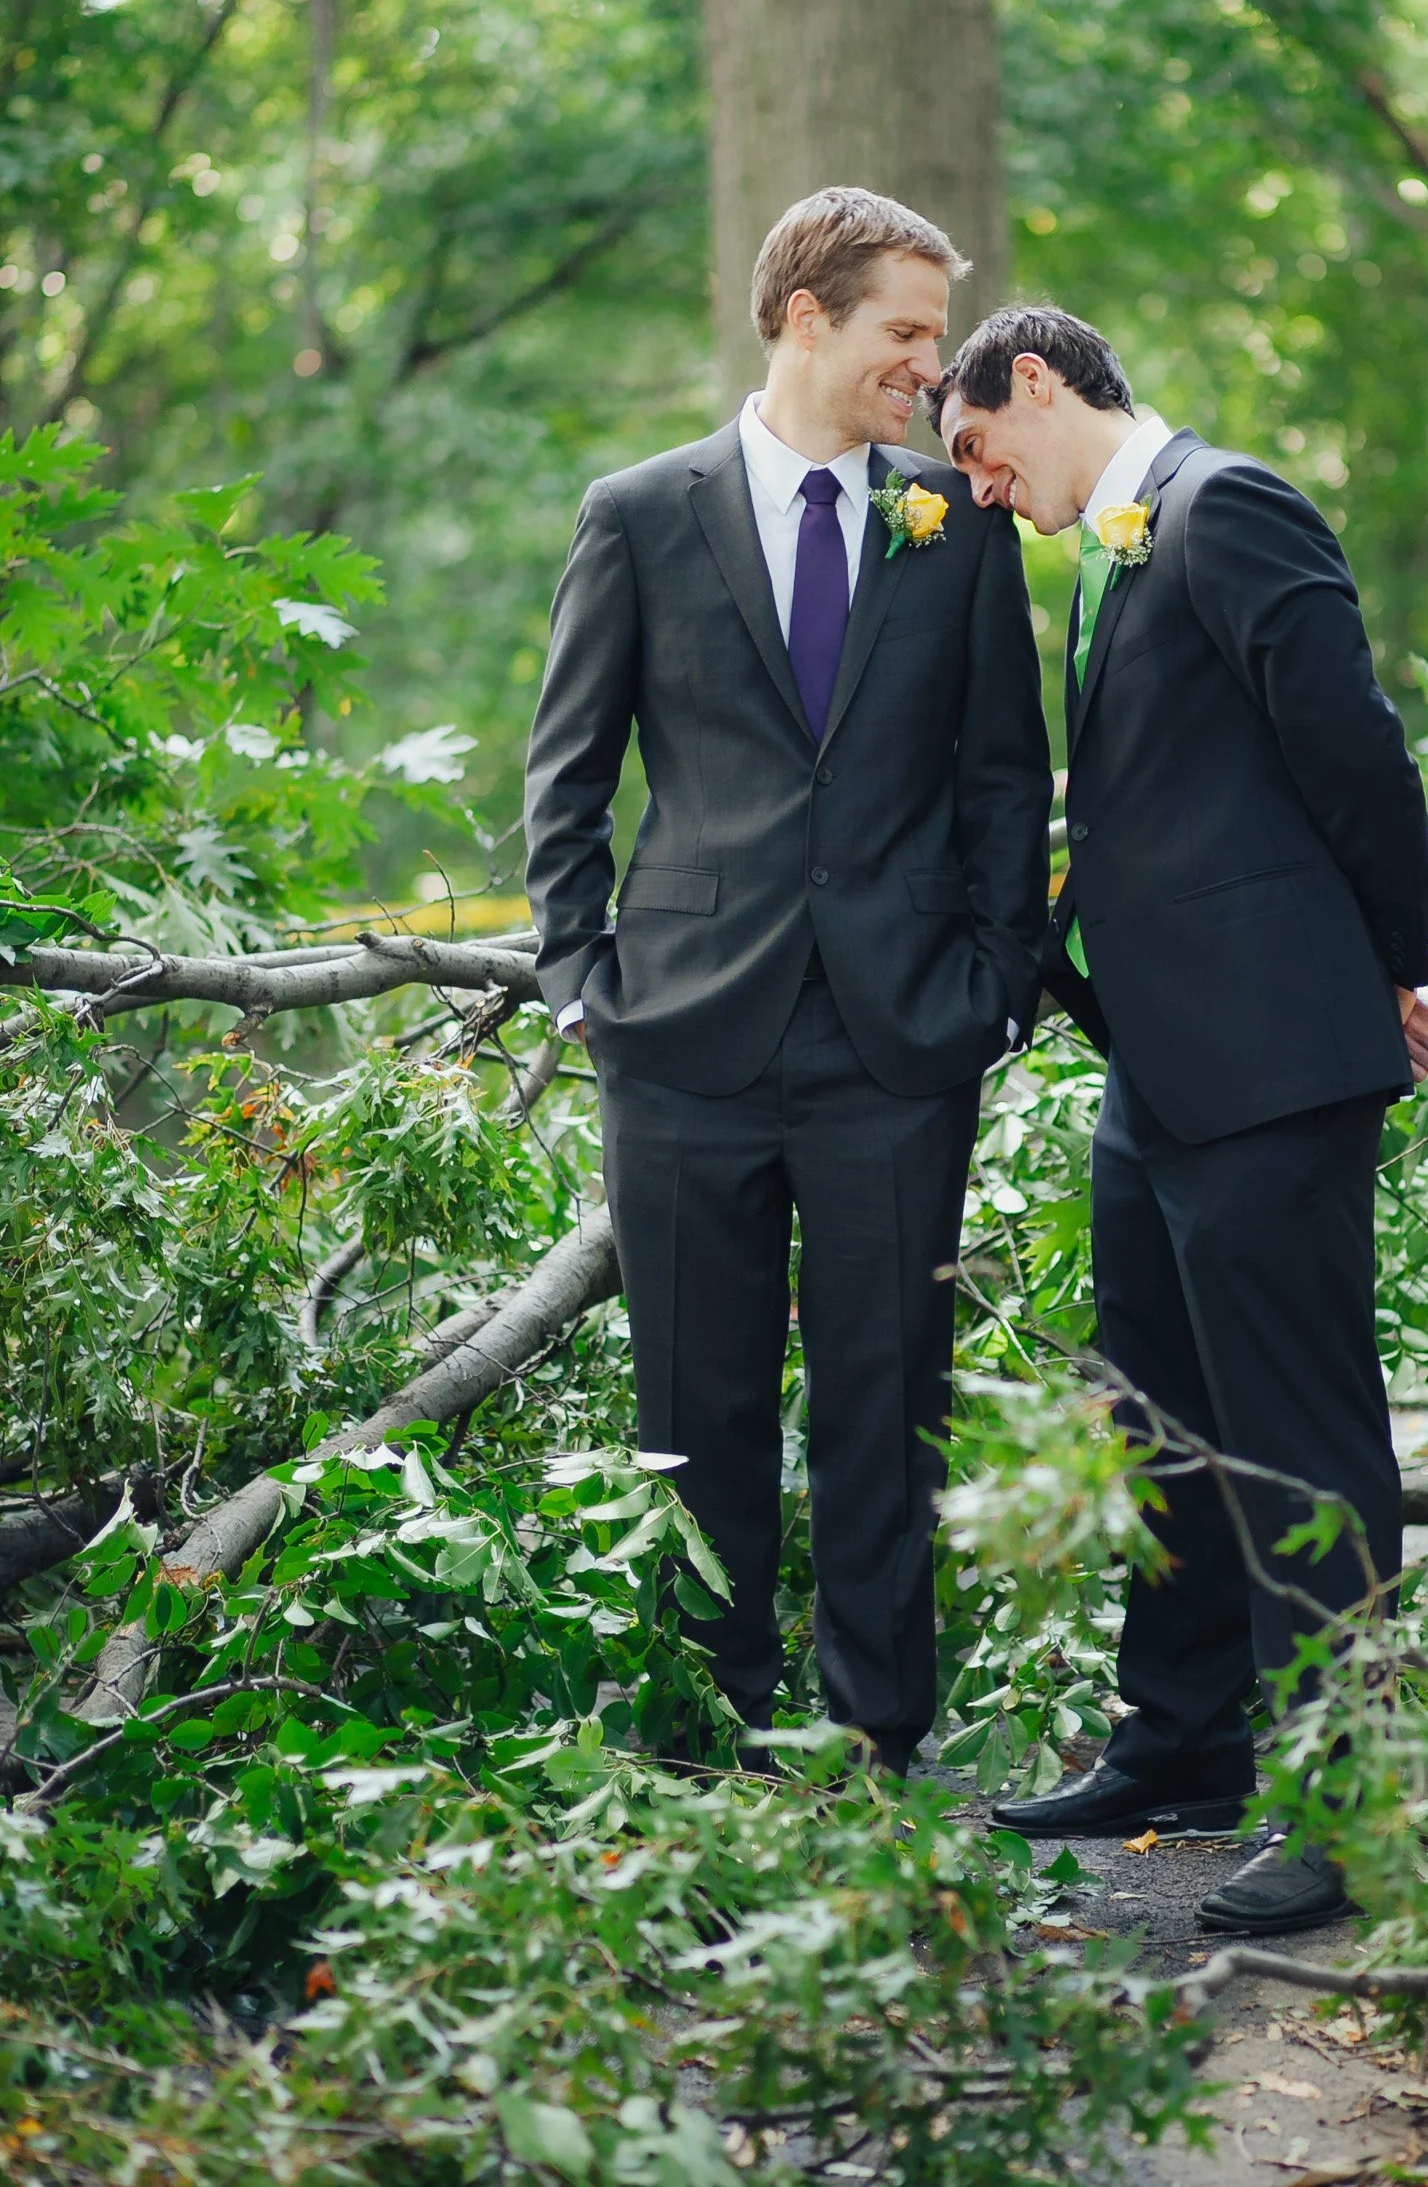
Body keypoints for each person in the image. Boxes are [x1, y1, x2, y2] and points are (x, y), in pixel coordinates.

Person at [931, 306, 1428, 1931]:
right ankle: (1182, 1745)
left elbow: (1353, 750)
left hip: (1272, 1055)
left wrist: (1386, 968)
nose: (972, 486)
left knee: (1292, 1433)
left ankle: (1343, 1808)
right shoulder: (1110, 548)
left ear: (1034, 384)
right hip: (1157, 1062)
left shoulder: (1225, 506)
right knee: (1152, 1415)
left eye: (975, 447)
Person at [525, 189, 1052, 1775]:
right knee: (693, 1407)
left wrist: (996, 985)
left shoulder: (949, 526)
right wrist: (579, 984)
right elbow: (567, 772)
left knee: (889, 1401)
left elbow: (1003, 780)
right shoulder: (638, 510)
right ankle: (706, 1725)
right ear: (804, 316)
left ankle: (882, 1734)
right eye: (904, 329)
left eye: (933, 333)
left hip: (901, 1040)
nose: (928, 363)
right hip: (681, 1037)